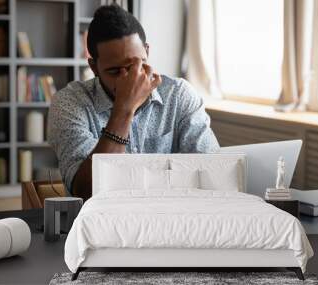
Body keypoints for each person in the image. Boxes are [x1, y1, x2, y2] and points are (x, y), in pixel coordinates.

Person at [48, 5, 219, 201]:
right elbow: (87, 191)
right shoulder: (69, 102)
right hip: (100, 224)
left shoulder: (178, 95)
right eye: (114, 71)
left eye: (134, 66)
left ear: (147, 51)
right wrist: (125, 107)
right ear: (94, 67)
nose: (127, 80)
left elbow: (211, 173)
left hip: (171, 218)